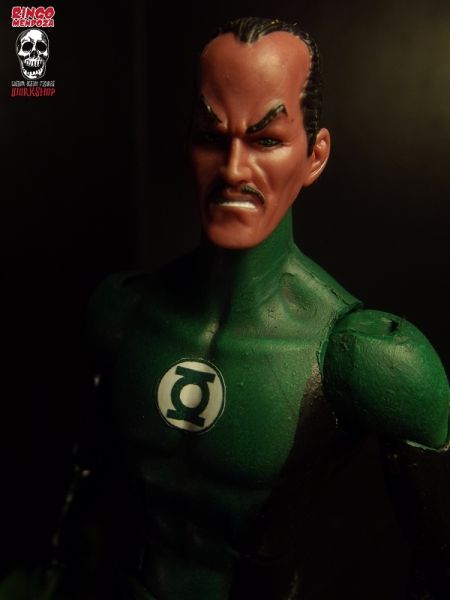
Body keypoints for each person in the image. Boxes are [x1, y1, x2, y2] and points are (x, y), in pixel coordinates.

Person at [1, 16, 448, 600]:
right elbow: (77, 485)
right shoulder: (121, 314)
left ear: (315, 156)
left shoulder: (363, 359)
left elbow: (440, 563)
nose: (234, 169)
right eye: (212, 138)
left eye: (266, 140)